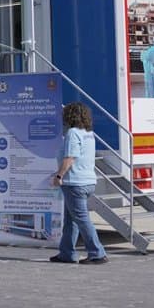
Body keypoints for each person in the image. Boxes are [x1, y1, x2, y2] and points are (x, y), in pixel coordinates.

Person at [48, 102, 107, 265]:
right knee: (71, 219)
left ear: (70, 116)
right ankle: (66, 253)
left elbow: (70, 158)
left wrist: (59, 176)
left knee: (81, 219)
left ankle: (97, 253)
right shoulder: (89, 133)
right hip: (87, 181)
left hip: (75, 183)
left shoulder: (73, 133)